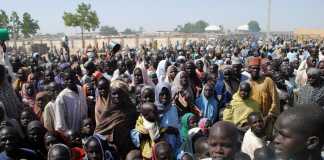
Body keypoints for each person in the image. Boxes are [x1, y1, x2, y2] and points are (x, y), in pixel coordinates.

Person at [95, 80, 136, 159]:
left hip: (130, 148)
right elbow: (99, 132)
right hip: (113, 151)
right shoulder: (108, 112)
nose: (117, 96)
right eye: (114, 94)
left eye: (120, 93)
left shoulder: (131, 109)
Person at [248, 57, 279, 136]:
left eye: (257, 68)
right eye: (253, 68)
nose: (255, 70)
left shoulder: (268, 81)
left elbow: (275, 100)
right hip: (253, 122)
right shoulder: (247, 84)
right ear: (249, 69)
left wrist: (268, 116)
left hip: (268, 119)